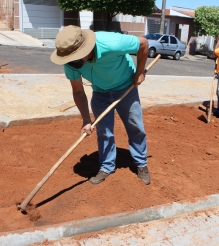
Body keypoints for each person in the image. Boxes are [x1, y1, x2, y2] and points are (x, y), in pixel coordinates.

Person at [50, 25, 151, 185]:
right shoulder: (69, 60)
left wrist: (139, 72)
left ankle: (141, 164)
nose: (72, 64)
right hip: (100, 92)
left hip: (126, 86)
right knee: (104, 132)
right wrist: (85, 120)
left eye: (76, 60)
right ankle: (107, 166)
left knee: (135, 127)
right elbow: (78, 91)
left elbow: (143, 44)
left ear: (85, 49)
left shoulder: (112, 42)